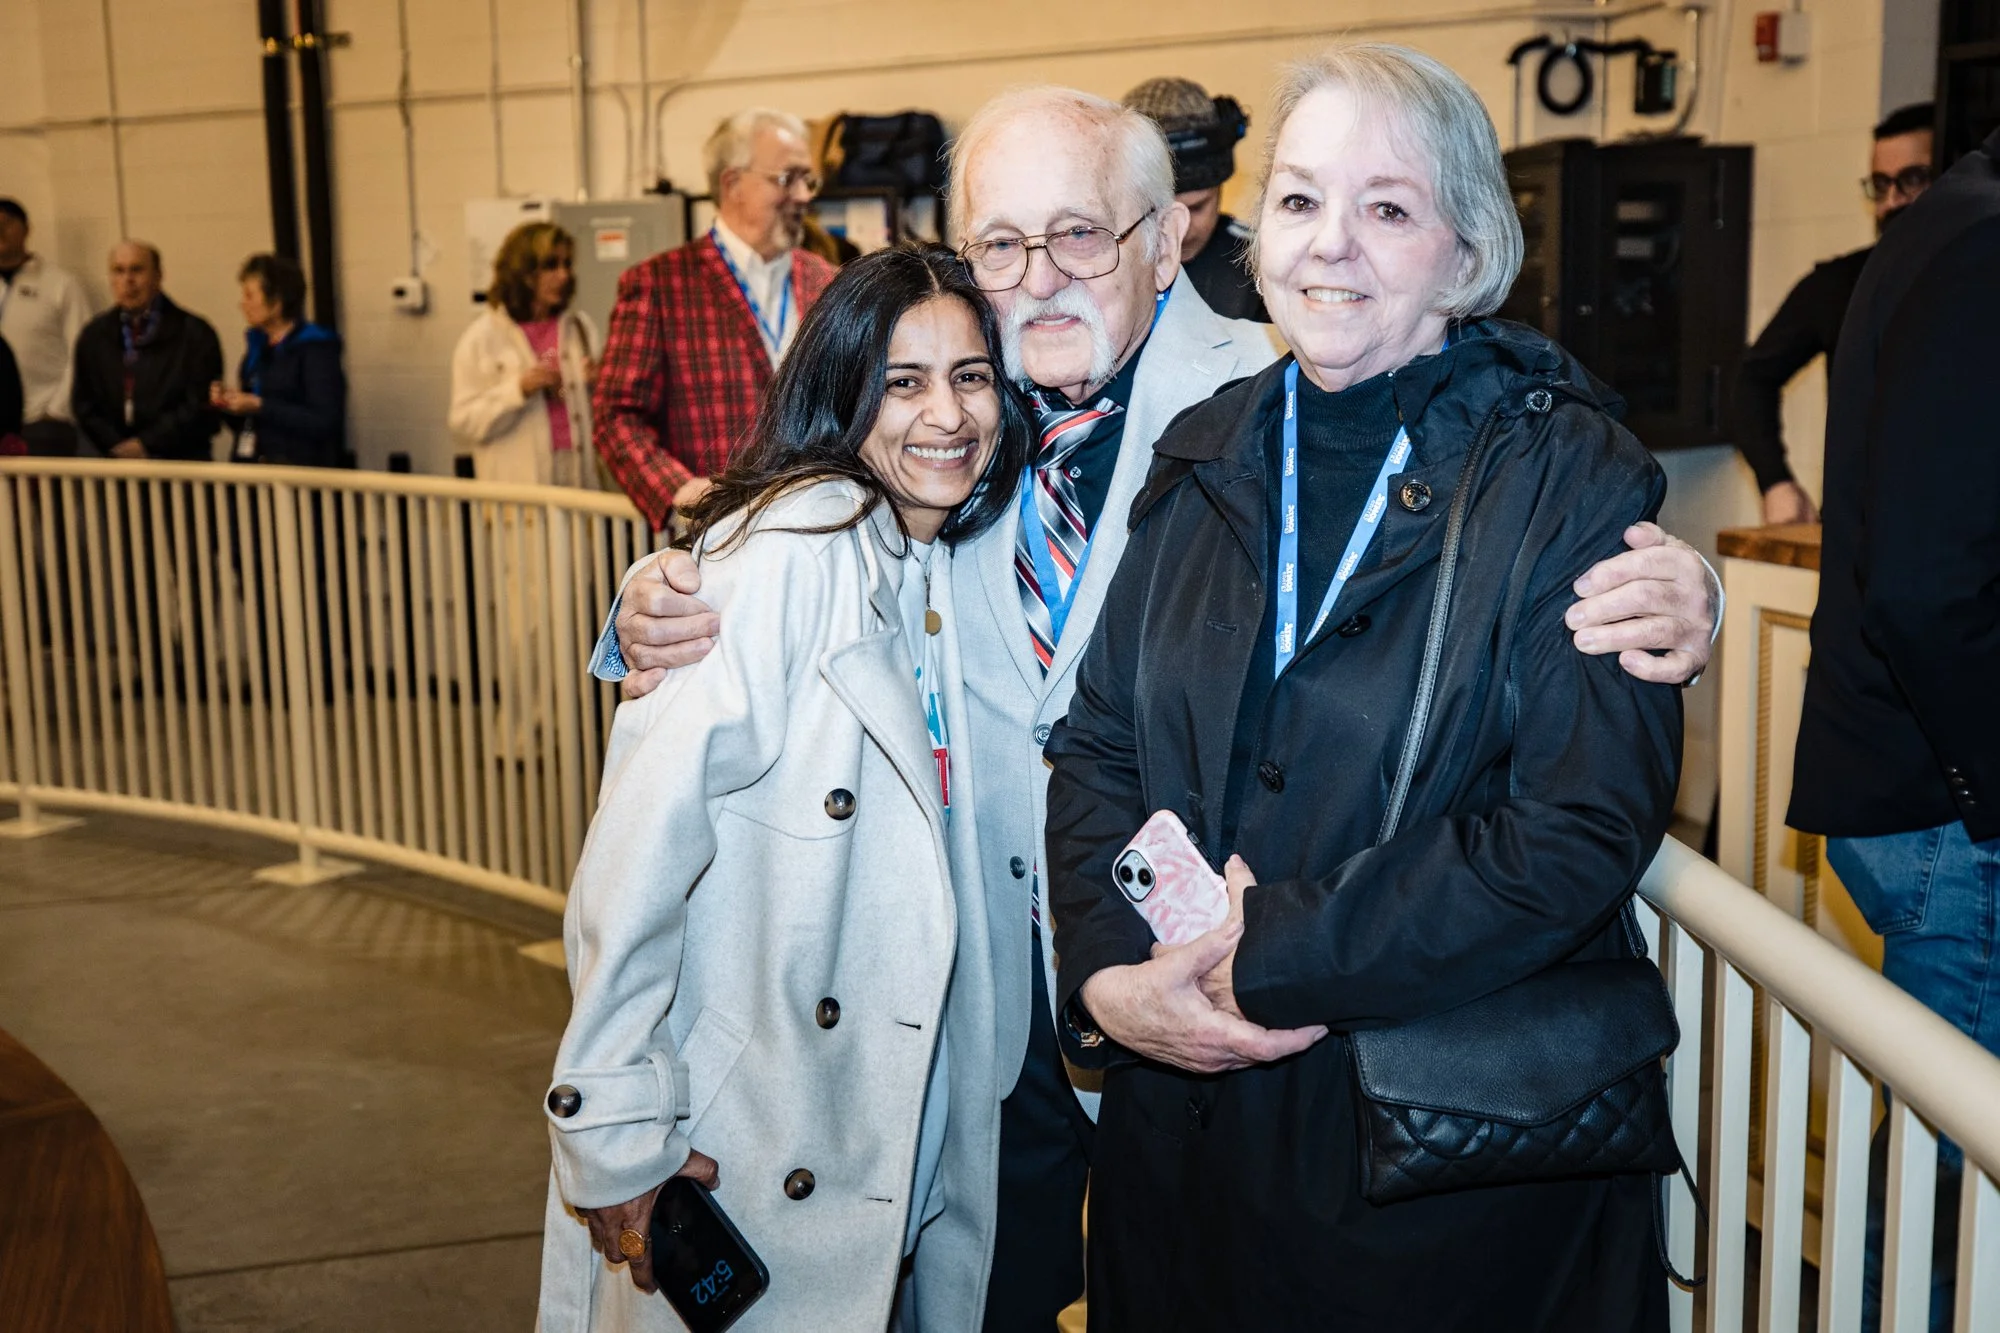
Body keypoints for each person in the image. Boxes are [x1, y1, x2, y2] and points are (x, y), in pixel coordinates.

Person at [601, 85, 1721, 1331]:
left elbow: (1535, 579)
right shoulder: (933, 418)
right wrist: (661, 596)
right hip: (990, 1004)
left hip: (1292, 1052)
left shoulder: (1267, 379)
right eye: (999, 244)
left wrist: (1693, 588)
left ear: (1165, 238)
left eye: (1079, 235)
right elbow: (791, 540)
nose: (1037, 278)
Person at [1045, 45, 1682, 1331]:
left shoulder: (1565, 475)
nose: (1328, 243)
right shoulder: (1204, 451)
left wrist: (1269, 951)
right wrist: (1111, 979)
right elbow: (1098, 743)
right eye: (1298, 200)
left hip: (1431, 1187)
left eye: (1386, 208)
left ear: (1465, 252)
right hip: (1183, 1155)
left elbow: (1575, 825)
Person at [537, 244, 1030, 1332]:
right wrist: (612, 1124)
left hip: (879, 1133)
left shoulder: (931, 554)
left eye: (970, 376)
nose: (947, 414)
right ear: (839, 392)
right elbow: (638, 849)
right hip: (746, 1133)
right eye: (902, 382)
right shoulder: (791, 554)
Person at [1790, 119, 2000, 1333]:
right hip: (1948, 809)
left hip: (1933, 790)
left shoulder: (1951, 221)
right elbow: (1925, 587)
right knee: (1942, 1180)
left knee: (1938, 1165)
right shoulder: (1979, 245)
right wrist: (1991, 795)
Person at [593, 108, 838, 529]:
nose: (803, 196)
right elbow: (616, 416)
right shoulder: (660, 285)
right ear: (732, 184)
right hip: (717, 537)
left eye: (808, 180)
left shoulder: (827, 281)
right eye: (787, 179)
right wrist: (677, 490)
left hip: (821, 525)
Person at [1732, 103, 1934, 525]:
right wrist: (1776, 482)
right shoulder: (1840, 285)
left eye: (1913, 180)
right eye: (1881, 184)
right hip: (1860, 534)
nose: (1893, 201)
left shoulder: (1981, 284)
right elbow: (1752, 379)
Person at [450, 221, 600, 487]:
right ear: (522, 272)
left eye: (567, 264)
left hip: (578, 476)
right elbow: (464, 423)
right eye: (550, 266)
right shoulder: (482, 338)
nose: (563, 275)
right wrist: (518, 390)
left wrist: (599, 385)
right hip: (519, 488)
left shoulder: (580, 329)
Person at [1123, 78, 1267, 322]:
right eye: (1159, 212)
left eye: (1197, 207)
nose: (1183, 229)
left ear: (1220, 190)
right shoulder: (1097, 266)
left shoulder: (1263, 261)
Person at [71, 241, 224, 461]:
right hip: (113, 459)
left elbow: (199, 404)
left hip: (178, 460)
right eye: (118, 271)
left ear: (158, 276)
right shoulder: (94, 335)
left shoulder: (194, 333)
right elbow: (84, 403)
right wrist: (116, 445)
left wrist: (146, 444)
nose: (128, 280)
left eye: (137, 270)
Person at [213, 253, 345, 468]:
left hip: (298, 469)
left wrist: (260, 405)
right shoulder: (258, 346)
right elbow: (249, 423)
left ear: (276, 302)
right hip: (254, 464)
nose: (242, 304)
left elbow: (324, 420)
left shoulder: (315, 349)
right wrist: (228, 405)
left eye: (249, 296)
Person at [0, 197, 94, 456]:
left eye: (7, 223)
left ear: (26, 229)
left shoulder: (60, 284)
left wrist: (56, 410)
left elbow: (83, 350)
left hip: (42, 421)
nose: (0, 231)